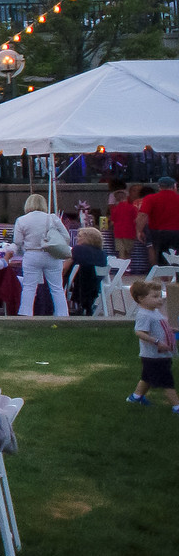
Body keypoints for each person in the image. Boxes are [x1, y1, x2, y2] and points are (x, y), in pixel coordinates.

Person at [12, 193, 72, 319]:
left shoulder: (22, 220)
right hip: (51, 254)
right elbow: (66, 237)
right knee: (57, 288)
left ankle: (26, 313)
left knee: (29, 287)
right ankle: (62, 314)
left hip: (32, 254)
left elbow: (17, 241)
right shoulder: (52, 218)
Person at [125, 278, 177, 411]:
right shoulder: (144, 315)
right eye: (155, 296)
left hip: (161, 354)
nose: (160, 299)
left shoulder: (154, 311)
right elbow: (139, 332)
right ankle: (176, 406)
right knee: (167, 381)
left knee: (147, 377)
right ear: (141, 298)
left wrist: (172, 330)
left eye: (160, 296)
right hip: (153, 355)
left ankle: (135, 398)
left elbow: (160, 327)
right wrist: (157, 342)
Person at [142, 175, 179, 262]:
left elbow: (142, 215)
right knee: (177, 256)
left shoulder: (150, 198)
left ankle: (164, 275)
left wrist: (139, 230)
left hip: (158, 232)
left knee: (162, 256)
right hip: (177, 231)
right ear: (174, 186)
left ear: (159, 187)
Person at [108, 185, 139, 265]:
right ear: (126, 197)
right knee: (128, 252)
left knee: (121, 252)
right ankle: (128, 268)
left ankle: (122, 269)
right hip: (129, 232)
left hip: (118, 232)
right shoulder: (132, 208)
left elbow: (112, 222)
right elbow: (137, 219)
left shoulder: (115, 209)